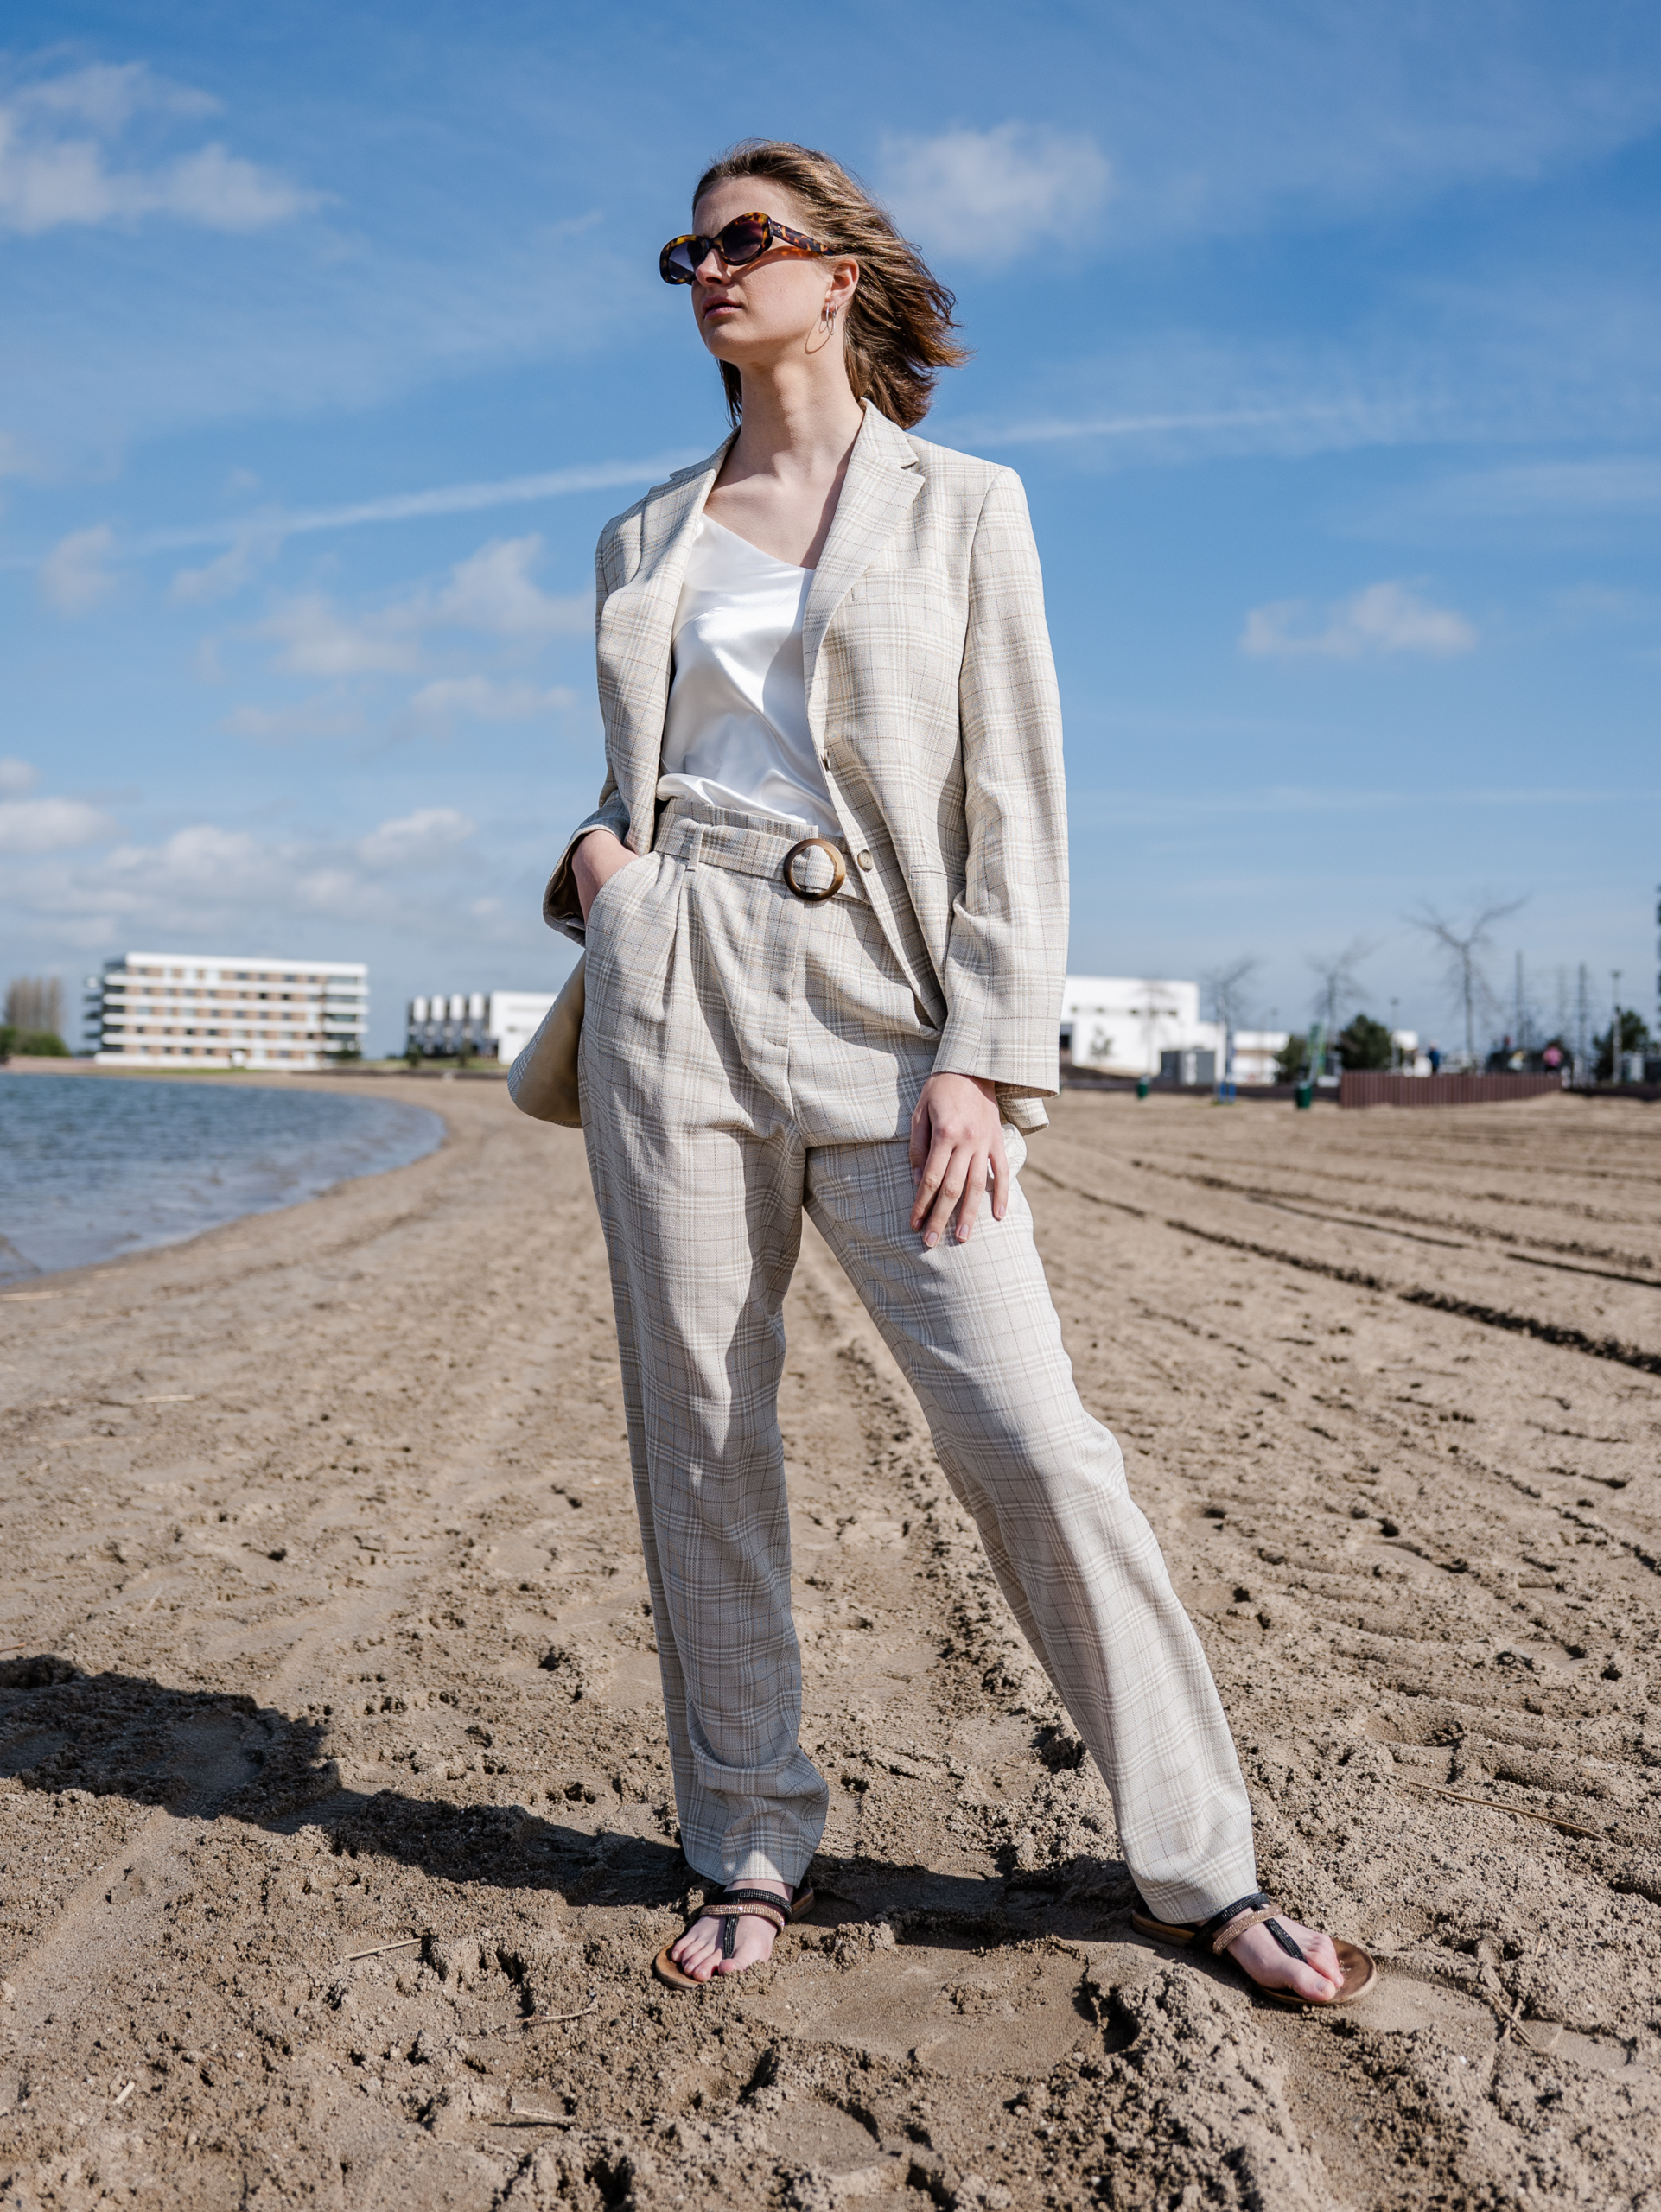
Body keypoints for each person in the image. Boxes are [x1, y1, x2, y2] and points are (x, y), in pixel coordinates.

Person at [544, 139, 1373, 2006]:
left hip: (892, 1001)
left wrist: (987, 1065)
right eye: (685, 247)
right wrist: (599, 877)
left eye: (744, 239)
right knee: (701, 1429)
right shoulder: (639, 534)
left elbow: (1020, 798)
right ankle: (745, 1836)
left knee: (1026, 1426)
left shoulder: (966, 505)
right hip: (674, 987)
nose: (708, 269)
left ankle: (1199, 1860)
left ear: (838, 270)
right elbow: (640, 775)